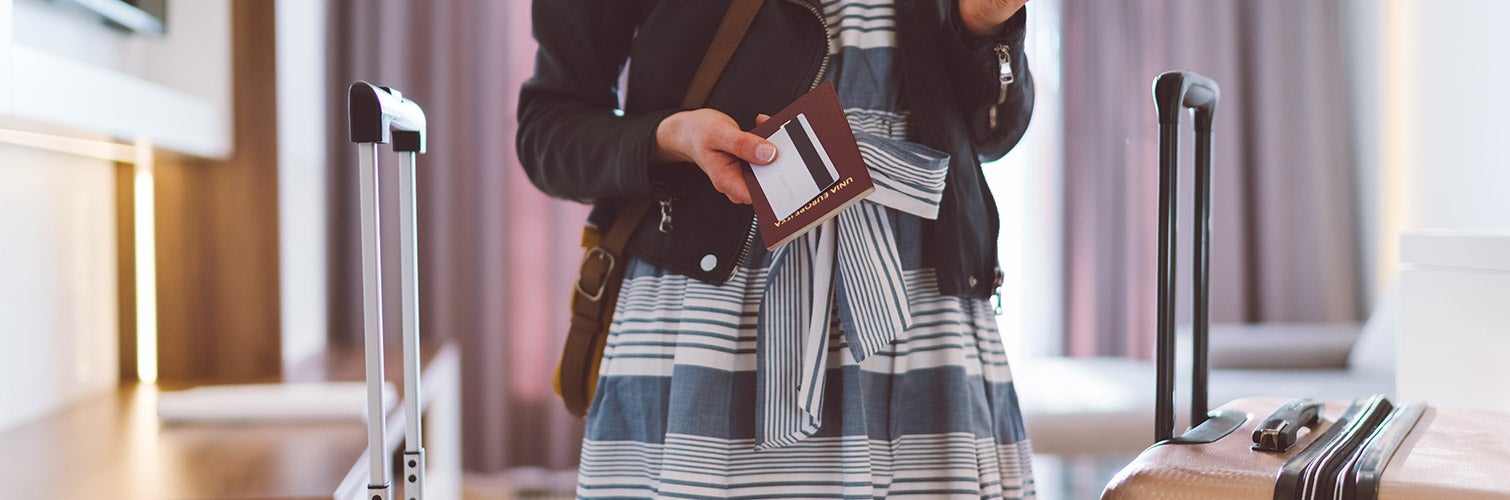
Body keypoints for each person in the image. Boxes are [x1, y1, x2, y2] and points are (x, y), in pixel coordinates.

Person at [518, 0, 1035, 496]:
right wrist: (671, 137)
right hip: (713, 316)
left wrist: (985, 33)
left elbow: (993, 134)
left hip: (925, 305)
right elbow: (550, 130)